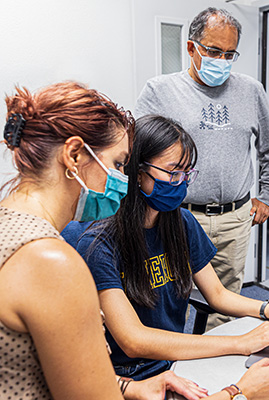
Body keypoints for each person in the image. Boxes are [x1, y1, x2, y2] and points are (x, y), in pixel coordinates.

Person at [62, 115, 269, 393]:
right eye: (173, 172)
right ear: (137, 172)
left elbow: (217, 295)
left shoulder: (181, 222)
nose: (181, 182)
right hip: (132, 377)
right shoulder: (99, 241)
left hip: (175, 358)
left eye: (187, 173)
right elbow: (134, 340)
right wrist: (241, 343)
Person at [0, 82, 210, 400]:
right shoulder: (51, 262)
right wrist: (241, 394)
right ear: (73, 155)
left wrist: (130, 386)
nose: (122, 181)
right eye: (117, 164)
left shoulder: (12, 225)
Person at [134, 7, 269, 330]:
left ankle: (218, 366)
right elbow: (139, 153)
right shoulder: (160, 90)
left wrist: (268, 196)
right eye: (214, 51)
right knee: (165, 298)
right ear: (192, 48)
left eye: (230, 54)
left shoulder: (251, 91)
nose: (222, 60)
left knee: (226, 303)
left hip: (234, 217)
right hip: (174, 215)